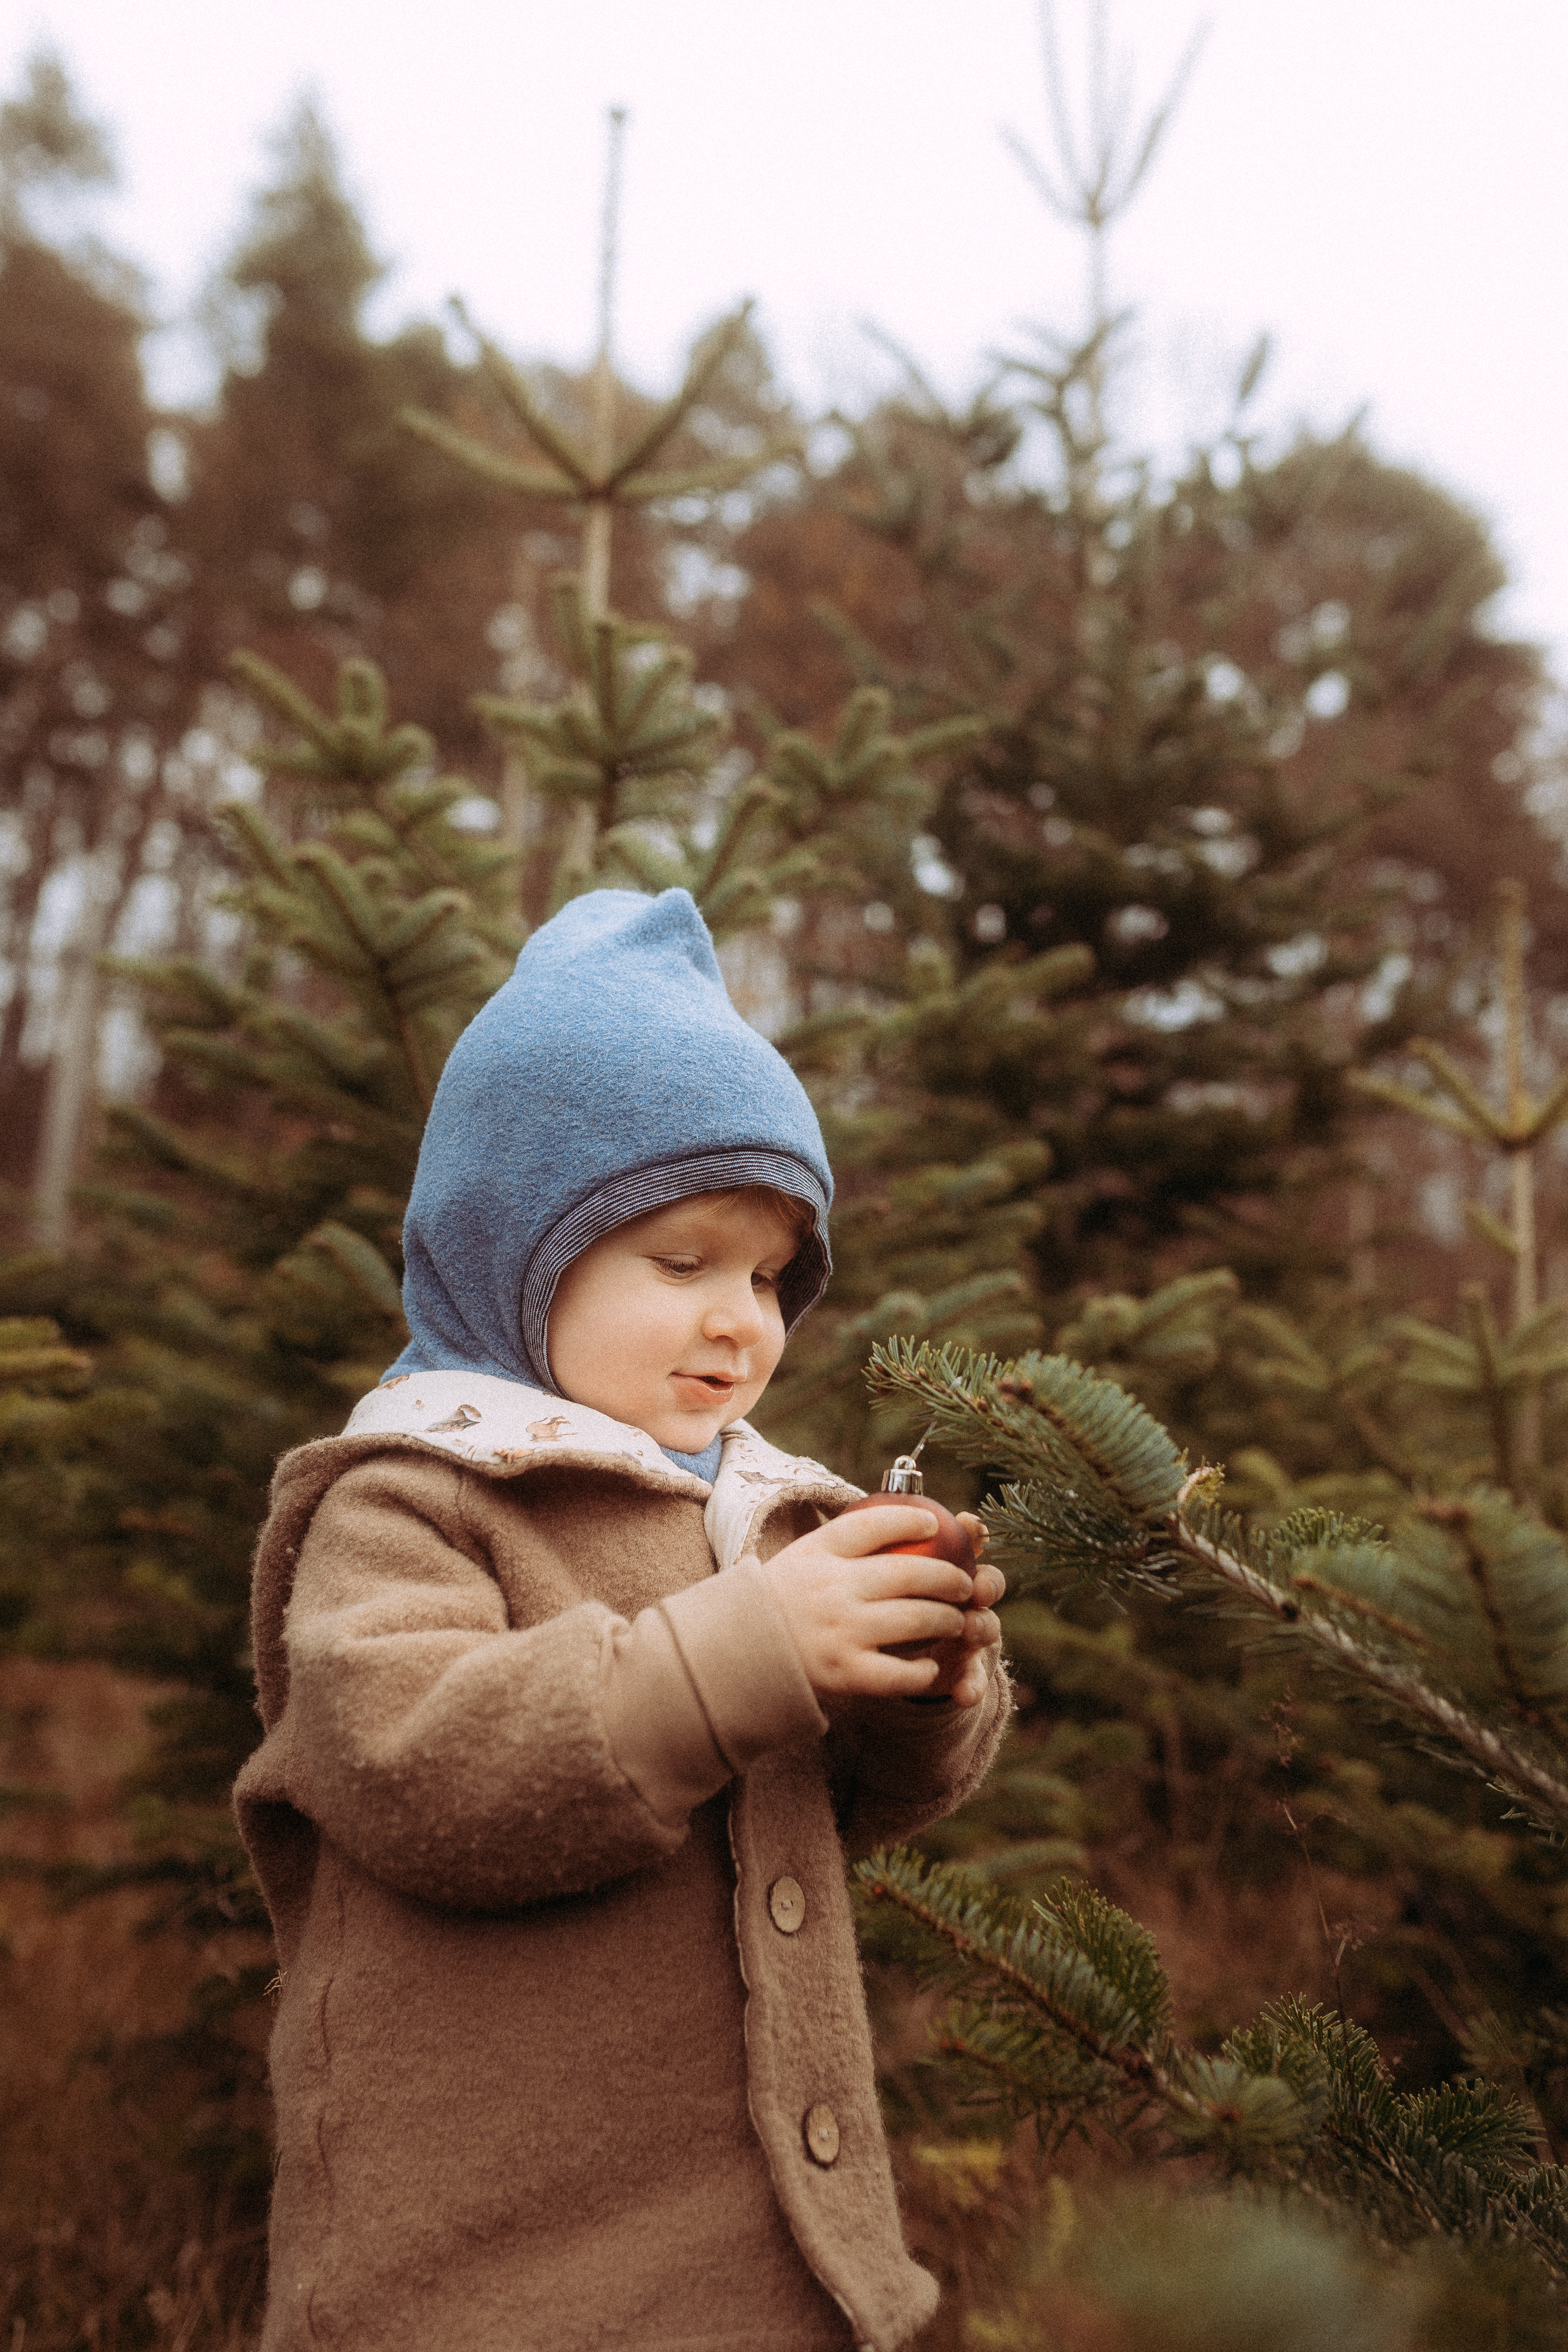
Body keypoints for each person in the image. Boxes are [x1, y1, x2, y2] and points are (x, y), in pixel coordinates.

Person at [235, 887, 1009, 2352]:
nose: (744, 1319)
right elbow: (413, 1763)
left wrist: (922, 1689)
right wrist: (757, 1651)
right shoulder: (410, 1499)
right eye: (684, 1263)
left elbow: (839, 1810)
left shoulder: (770, 1510)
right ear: (516, 1249)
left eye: (776, 1276)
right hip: (491, 2279)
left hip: (774, 2254)